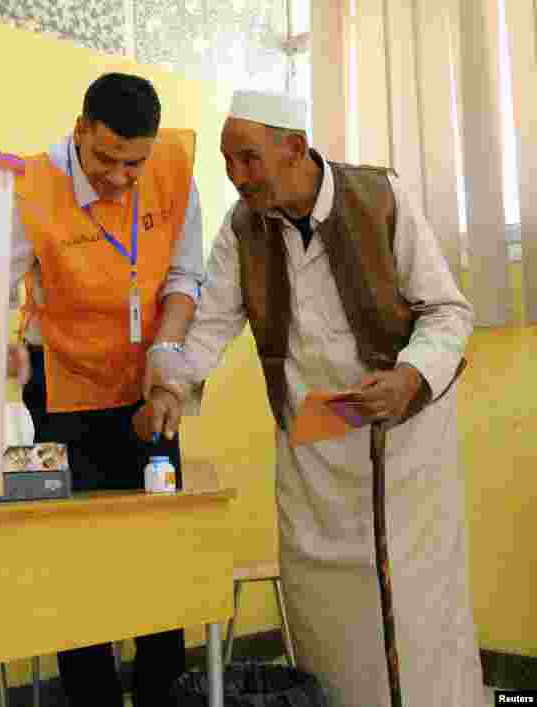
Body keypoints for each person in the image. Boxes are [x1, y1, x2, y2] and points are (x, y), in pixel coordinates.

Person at [135, 89, 486, 706]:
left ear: (295, 147)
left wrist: (409, 377)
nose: (236, 177)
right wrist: (171, 384)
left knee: (414, 613)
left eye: (248, 159)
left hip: (402, 452)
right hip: (312, 452)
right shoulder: (243, 227)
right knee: (325, 617)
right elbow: (211, 322)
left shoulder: (380, 198)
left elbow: (449, 312)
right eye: (227, 162)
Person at [6, 72, 206, 706]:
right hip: (54, 397)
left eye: (134, 163)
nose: (122, 177)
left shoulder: (172, 167)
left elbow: (184, 274)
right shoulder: (29, 186)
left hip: (147, 389)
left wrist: (169, 352)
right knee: (75, 565)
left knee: (158, 556)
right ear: (79, 132)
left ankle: (160, 697)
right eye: (106, 161)